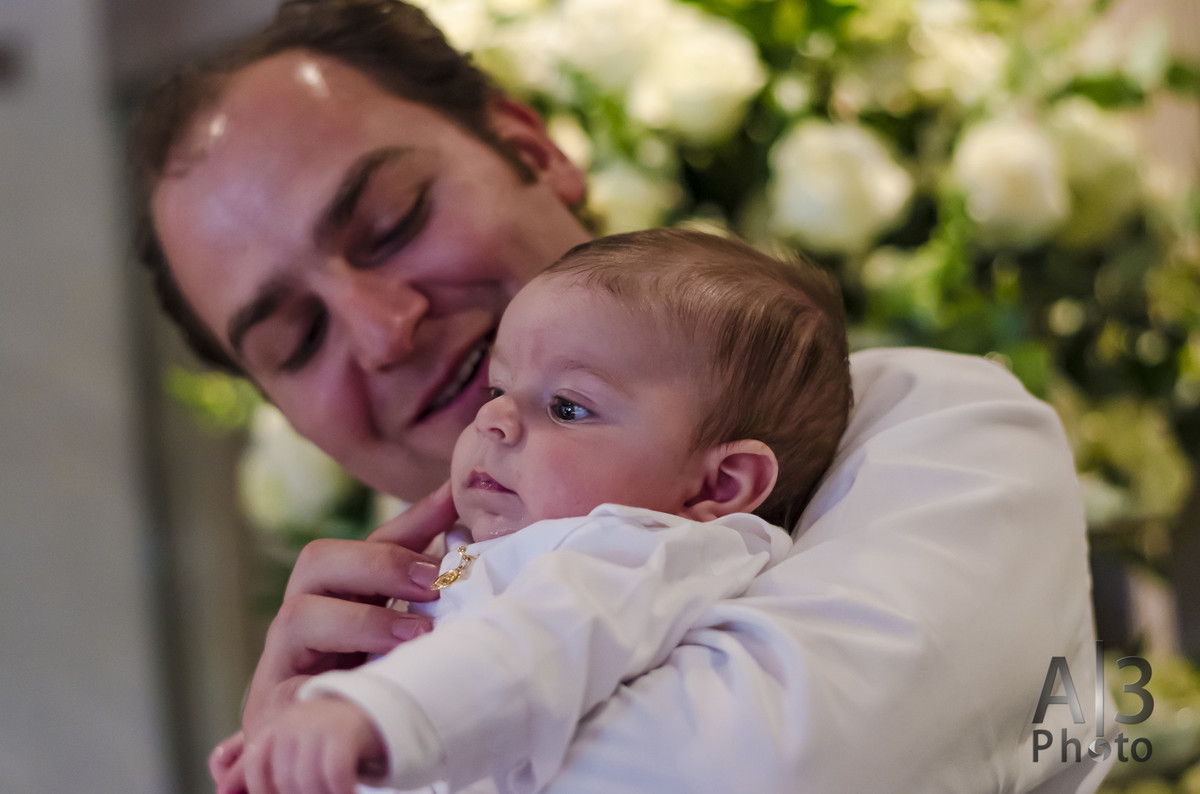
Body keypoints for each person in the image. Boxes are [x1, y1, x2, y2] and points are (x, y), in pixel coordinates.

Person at [128, 1, 1106, 791]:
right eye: (296, 340)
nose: (387, 327)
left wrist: (384, 746)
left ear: (531, 147)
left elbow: (767, 768)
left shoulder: (933, 426)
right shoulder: (373, 639)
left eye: (394, 219)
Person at [224, 227, 852, 793]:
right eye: (498, 389)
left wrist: (368, 713)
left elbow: (536, 644)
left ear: (719, 486)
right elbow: (446, 625)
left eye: (567, 407)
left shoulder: (639, 550)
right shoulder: (470, 556)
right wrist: (291, 731)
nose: (492, 418)